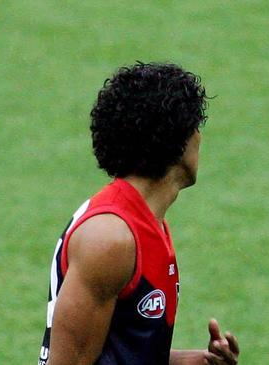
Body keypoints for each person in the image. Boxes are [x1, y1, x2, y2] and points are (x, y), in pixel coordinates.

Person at [38, 62, 239, 365]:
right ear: (179, 139)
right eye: (196, 126)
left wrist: (194, 362)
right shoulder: (111, 239)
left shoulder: (144, 222)